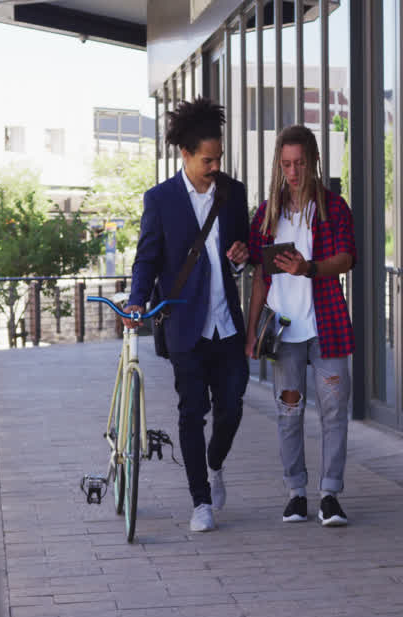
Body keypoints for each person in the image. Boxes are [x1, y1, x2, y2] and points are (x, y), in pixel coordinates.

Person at [125, 97, 251, 533]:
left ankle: (214, 464)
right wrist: (137, 300)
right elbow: (147, 258)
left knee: (232, 406)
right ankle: (201, 501)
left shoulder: (232, 193)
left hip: (228, 323)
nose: (214, 165)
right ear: (185, 154)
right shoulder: (160, 200)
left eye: (218, 158)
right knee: (191, 411)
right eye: (207, 159)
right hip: (185, 324)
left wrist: (240, 255)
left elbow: (242, 247)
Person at [246, 125, 357, 527]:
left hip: (325, 326)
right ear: (279, 164)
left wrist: (307, 268)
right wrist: (250, 330)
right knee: (288, 412)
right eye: (286, 164)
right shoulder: (268, 212)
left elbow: (346, 259)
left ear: (313, 163)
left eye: (300, 164)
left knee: (333, 411)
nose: (293, 172)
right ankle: (295, 493)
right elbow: (260, 274)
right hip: (284, 332)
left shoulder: (333, 207)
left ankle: (330, 494)